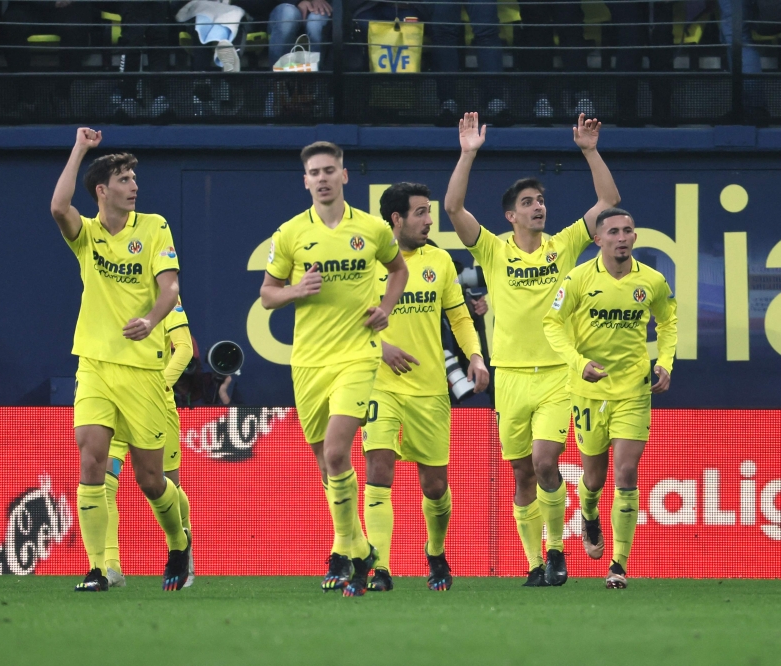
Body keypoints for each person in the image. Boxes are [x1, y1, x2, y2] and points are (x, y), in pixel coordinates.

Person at [443, 112, 620, 586]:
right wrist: (467, 153)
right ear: (511, 215)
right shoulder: (494, 250)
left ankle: (558, 551)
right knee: (522, 475)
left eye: (541, 200)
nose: (538, 207)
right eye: (528, 202)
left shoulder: (561, 246)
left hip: (557, 374)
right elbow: (454, 209)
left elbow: (608, 201)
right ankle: (534, 563)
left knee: (546, 461)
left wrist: (589, 150)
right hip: (510, 377)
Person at [260, 141, 408, 596]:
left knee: (339, 454)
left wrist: (386, 307)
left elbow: (398, 270)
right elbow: (267, 294)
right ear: (305, 181)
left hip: (357, 356)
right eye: (314, 172)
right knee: (326, 467)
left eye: (330, 170)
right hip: (308, 361)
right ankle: (357, 548)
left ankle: (348, 553)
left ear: (345, 176)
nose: (322, 178)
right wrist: (296, 290)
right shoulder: (289, 234)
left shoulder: (372, 228)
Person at [50, 127, 189, 592]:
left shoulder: (154, 226)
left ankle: (178, 544)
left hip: (142, 370)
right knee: (90, 459)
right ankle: (96, 567)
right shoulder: (86, 235)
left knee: (151, 482)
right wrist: (79, 149)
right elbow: (57, 207)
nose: (134, 185)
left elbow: (170, 288)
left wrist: (151, 321)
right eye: (125, 179)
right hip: (93, 363)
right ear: (102, 191)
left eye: (134, 178)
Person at [361, 183, 489, 592]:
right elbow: (342, 319)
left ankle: (435, 552)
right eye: (420, 212)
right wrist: (381, 348)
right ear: (395, 219)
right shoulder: (366, 262)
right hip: (379, 384)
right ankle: (379, 566)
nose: (429, 220)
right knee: (379, 471)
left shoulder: (440, 261)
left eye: (429, 212)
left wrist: (474, 356)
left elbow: (460, 317)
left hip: (430, 388)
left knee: (434, 486)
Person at [543, 207, 677, 589]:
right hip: (588, 391)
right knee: (594, 476)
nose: (622, 237)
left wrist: (665, 361)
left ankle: (618, 564)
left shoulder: (651, 281)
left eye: (628, 231)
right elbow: (552, 323)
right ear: (598, 239)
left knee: (627, 473)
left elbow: (668, 321)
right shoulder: (579, 278)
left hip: (633, 389)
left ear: (635, 237)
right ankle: (588, 511)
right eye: (613, 231)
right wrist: (577, 362)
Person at [105, 297, 195, 588]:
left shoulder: (165, 297)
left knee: (165, 485)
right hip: (116, 402)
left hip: (156, 405)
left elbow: (184, 348)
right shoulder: (109, 291)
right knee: (104, 482)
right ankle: (110, 567)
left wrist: (160, 384)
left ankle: (181, 542)